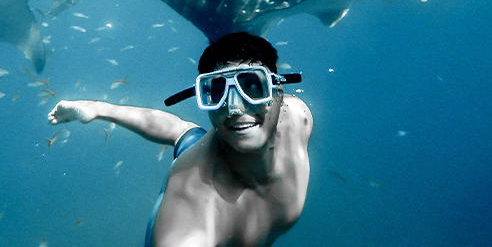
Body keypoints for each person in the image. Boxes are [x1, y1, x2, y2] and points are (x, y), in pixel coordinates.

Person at [48, 32, 313, 247]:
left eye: (253, 86)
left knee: (185, 134)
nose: (234, 108)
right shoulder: (192, 212)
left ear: (278, 93)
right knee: (191, 144)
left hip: (212, 147)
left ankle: (98, 108)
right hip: (194, 177)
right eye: (217, 92)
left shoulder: (298, 117)